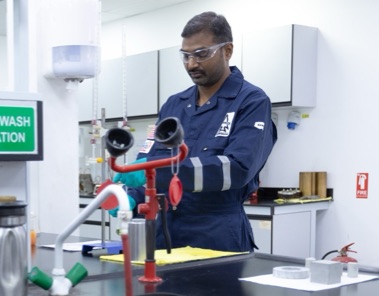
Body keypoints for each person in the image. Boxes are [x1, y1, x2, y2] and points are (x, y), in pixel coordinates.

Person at [113, 11, 277, 252]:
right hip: (166, 232)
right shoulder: (173, 104)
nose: (191, 64)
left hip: (217, 233)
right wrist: (132, 196)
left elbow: (237, 168)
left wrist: (157, 171)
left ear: (227, 50)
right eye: (185, 56)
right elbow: (148, 161)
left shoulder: (251, 101)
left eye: (201, 54)